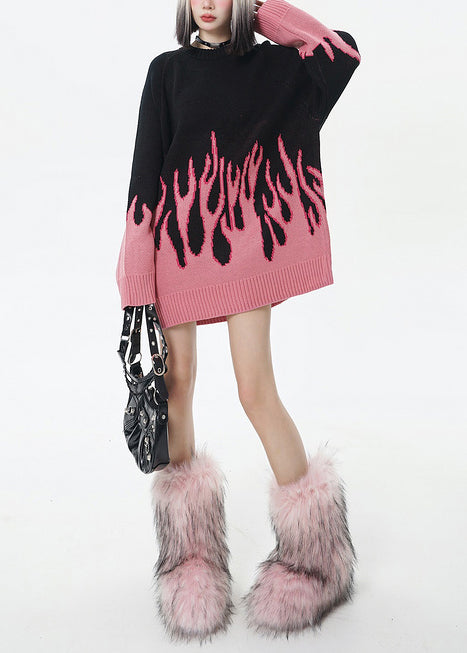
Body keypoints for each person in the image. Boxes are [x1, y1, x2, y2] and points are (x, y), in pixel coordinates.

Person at [116, 0, 362, 643]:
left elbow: (338, 52)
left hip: (244, 255)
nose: (206, 1)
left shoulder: (275, 68)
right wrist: (135, 281)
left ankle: (315, 558)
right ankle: (190, 561)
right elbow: (144, 180)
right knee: (177, 391)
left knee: (256, 391)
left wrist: (264, 10)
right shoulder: (167, 72)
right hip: (176, 255)